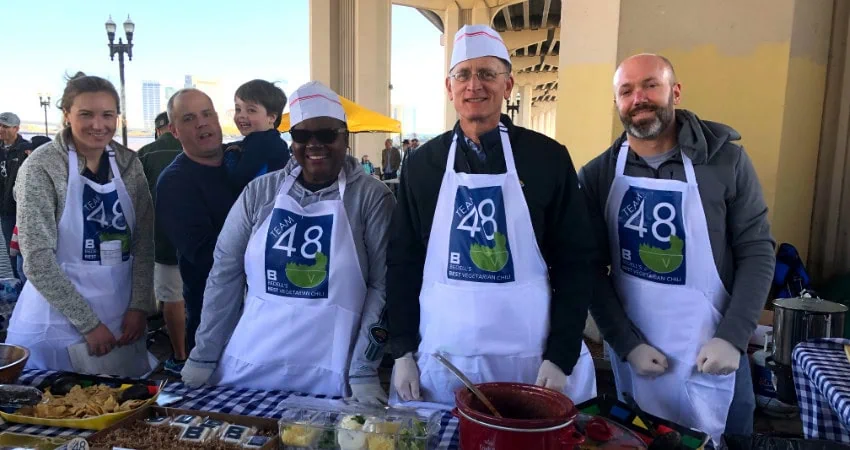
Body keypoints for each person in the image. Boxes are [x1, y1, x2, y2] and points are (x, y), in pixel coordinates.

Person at [386, 24, 598, 408]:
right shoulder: (421, 165)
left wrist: (561, 354)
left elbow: (577, 262)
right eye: (463, 75)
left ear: (509, 85)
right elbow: (403, 262)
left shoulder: (546, 158)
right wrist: (401, 350)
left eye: (487, 74)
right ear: (449, 89)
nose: (474, 86)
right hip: (443, 359)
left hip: (530, 360)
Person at [578, 54, 775, 443]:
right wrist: (624, 343)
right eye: (626, 90)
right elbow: (588, 269)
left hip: (716, 355)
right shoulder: (598, 174)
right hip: (637, 357)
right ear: (617, 102)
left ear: (675, 92)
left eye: (651, 84)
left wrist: (733, 337)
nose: (639, 98)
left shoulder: (726, 163)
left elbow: (757, 251)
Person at [181, 81, 395, 405]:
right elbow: (224, 273)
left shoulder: (371, 197)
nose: (314, 145)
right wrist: (204, 355)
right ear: (291, 140)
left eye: (326, 134)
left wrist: (364, 368)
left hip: (331, 374)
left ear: (345, 137)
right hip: (249, 367)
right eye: (301, 136)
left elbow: (384, 285)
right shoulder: (259, 192)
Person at [6, 73, 156, 376]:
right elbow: (36, 259)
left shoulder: (128, 163)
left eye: (107, 115)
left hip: (119, 316)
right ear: (67, 115)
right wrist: (88, 324)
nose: (98, 125)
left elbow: (143, 241)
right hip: (58, 322)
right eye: (86, 114)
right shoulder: (42, 166)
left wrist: (139, 306)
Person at [156, 89, 237, 355]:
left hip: (265, 313)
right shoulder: (174, 181)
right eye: (189, 118)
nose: (201, 123)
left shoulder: (242, 160)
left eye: (207, 114)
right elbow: (204, 254)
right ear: (174, 130)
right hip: (214, 320)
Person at [138, 111, 187, 375]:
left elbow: (136, 200)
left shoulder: (145, 153)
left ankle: (180, 355)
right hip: (200, 237)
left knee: (172, 298)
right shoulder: (201, 147)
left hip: (163, 238)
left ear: (158, 130)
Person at [224, 79, 290, 194]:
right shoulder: (268, 140)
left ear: (271, 117)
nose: (241, 115)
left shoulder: (264, 143)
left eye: (251, 110)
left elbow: (238, 181)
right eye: (238, 109)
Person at [0, 112, 32, 279]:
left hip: (22, 209)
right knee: (10, 248)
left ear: (16, 129)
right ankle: (17, 282)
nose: (1, 129)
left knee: (25, 248)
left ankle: (29, 284)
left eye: (5, 126)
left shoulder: (26, 149)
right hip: (5, 209)